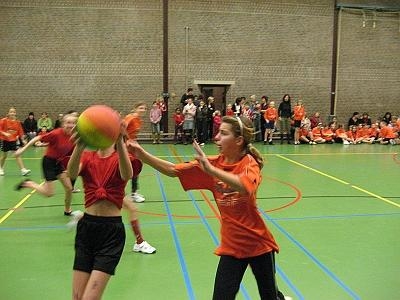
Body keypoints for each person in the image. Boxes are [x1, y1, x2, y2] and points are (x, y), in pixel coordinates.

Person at [127, 116, 286, 300]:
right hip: (232, 246)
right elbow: (173, 170)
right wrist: (141, 154)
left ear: (239, 140)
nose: (216, 137)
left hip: (259, 245)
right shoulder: (213, 163)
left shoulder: (249, 163)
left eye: (223, 133)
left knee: (269, 296)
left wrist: (211, 171)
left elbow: (245, 186)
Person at [67, 129, 134, 299]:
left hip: (111, 233)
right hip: (87, 229)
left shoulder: (122, 158)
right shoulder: (88, 156)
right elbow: (71, 174)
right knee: (77, 297)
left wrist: (120, 142)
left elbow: (127, 174)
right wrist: (79, 146)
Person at [14, 113, 78, 215]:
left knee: (69, 188)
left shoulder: (74, 137)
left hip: (58, 162)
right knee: (49, 193)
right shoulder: (56, 133)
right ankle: (29, 183)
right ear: (63, 124)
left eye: (74, 123)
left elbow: (70, 154)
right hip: (48, 162)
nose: (71, 125)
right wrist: (22, 149)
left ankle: (67, 210)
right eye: (68, 122)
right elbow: (37, 138)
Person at [124, 102, 147, 203]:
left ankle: (134, 192)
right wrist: (127, 140)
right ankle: (132, 193)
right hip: (126, 146)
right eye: (140, 108)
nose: (143, 110)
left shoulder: (138, 120)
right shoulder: (131, 117)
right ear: (135, 108)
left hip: (132, 146)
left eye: (144, 109)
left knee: (135, 168)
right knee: (131, 168)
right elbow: (122, 128)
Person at [0, 107, 31, 176]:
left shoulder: (17, 122)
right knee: (4, 156)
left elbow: (20, 132)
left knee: (17, 154)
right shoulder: (3, 120)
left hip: (13, 141)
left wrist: (23, 140)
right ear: (8, 113)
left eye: (14, 112)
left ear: (15, 113)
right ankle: (1, 168)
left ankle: (23, 170)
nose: (12, 113)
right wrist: (4, 133)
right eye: (11, 112)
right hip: (5, 140)